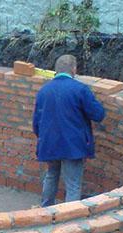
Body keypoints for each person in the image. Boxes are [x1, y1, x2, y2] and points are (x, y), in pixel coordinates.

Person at [33, 55, 106, 207]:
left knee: (51, 175)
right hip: (73, 144)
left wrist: (43, 138)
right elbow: (98, 115)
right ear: (74, 69)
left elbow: (36, 122)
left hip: (50, 143)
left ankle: (46, 209)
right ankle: (69, 217)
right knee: (73, 183)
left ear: (56, 70)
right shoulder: (80, 89)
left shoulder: (43, 91)